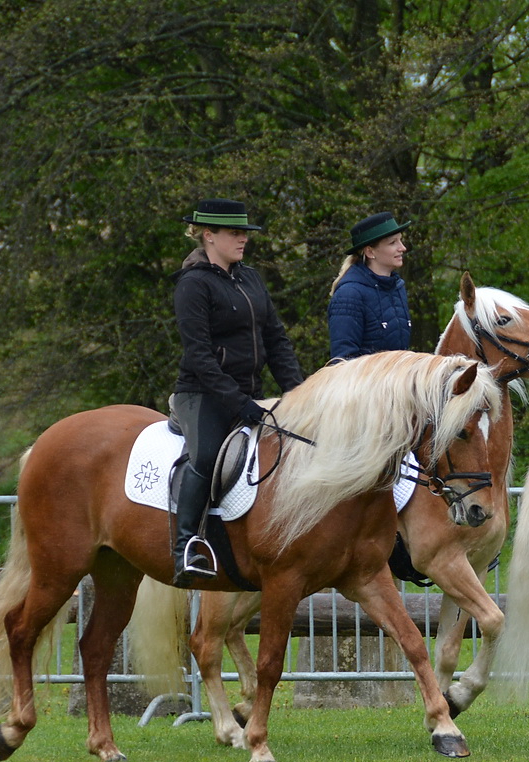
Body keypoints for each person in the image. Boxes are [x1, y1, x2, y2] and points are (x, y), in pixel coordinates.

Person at [170, 197, 305, 587]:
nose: (243, 239)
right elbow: (199, 356)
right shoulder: (193, 285)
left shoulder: (251, 279)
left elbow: (276, 339)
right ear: (208, 235)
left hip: (251, 395)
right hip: (202, 395)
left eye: (245, 232)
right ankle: (185, 548)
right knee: (208, 456)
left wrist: (297, 393)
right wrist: (237, 403)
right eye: (235, 233)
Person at [327, 212, 413, 360]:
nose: (402, 248)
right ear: (370, 251)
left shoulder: (398, 287)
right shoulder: (349, 295)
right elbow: (342, 362)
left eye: (400, 240)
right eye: (393, 243)